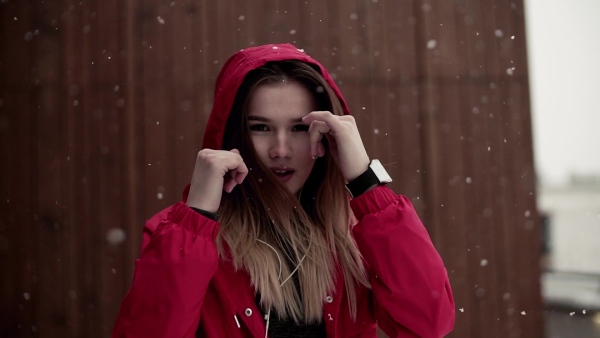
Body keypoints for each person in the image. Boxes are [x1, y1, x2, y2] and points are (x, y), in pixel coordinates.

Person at [112, 43, 455, 338]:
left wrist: (365, 180)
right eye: (260, 127)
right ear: (233, 136)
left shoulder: (357, 237)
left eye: (298, 128)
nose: (280, 149)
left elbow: (429, 324)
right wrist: (197, 217)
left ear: (327, 134)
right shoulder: (177, 235)